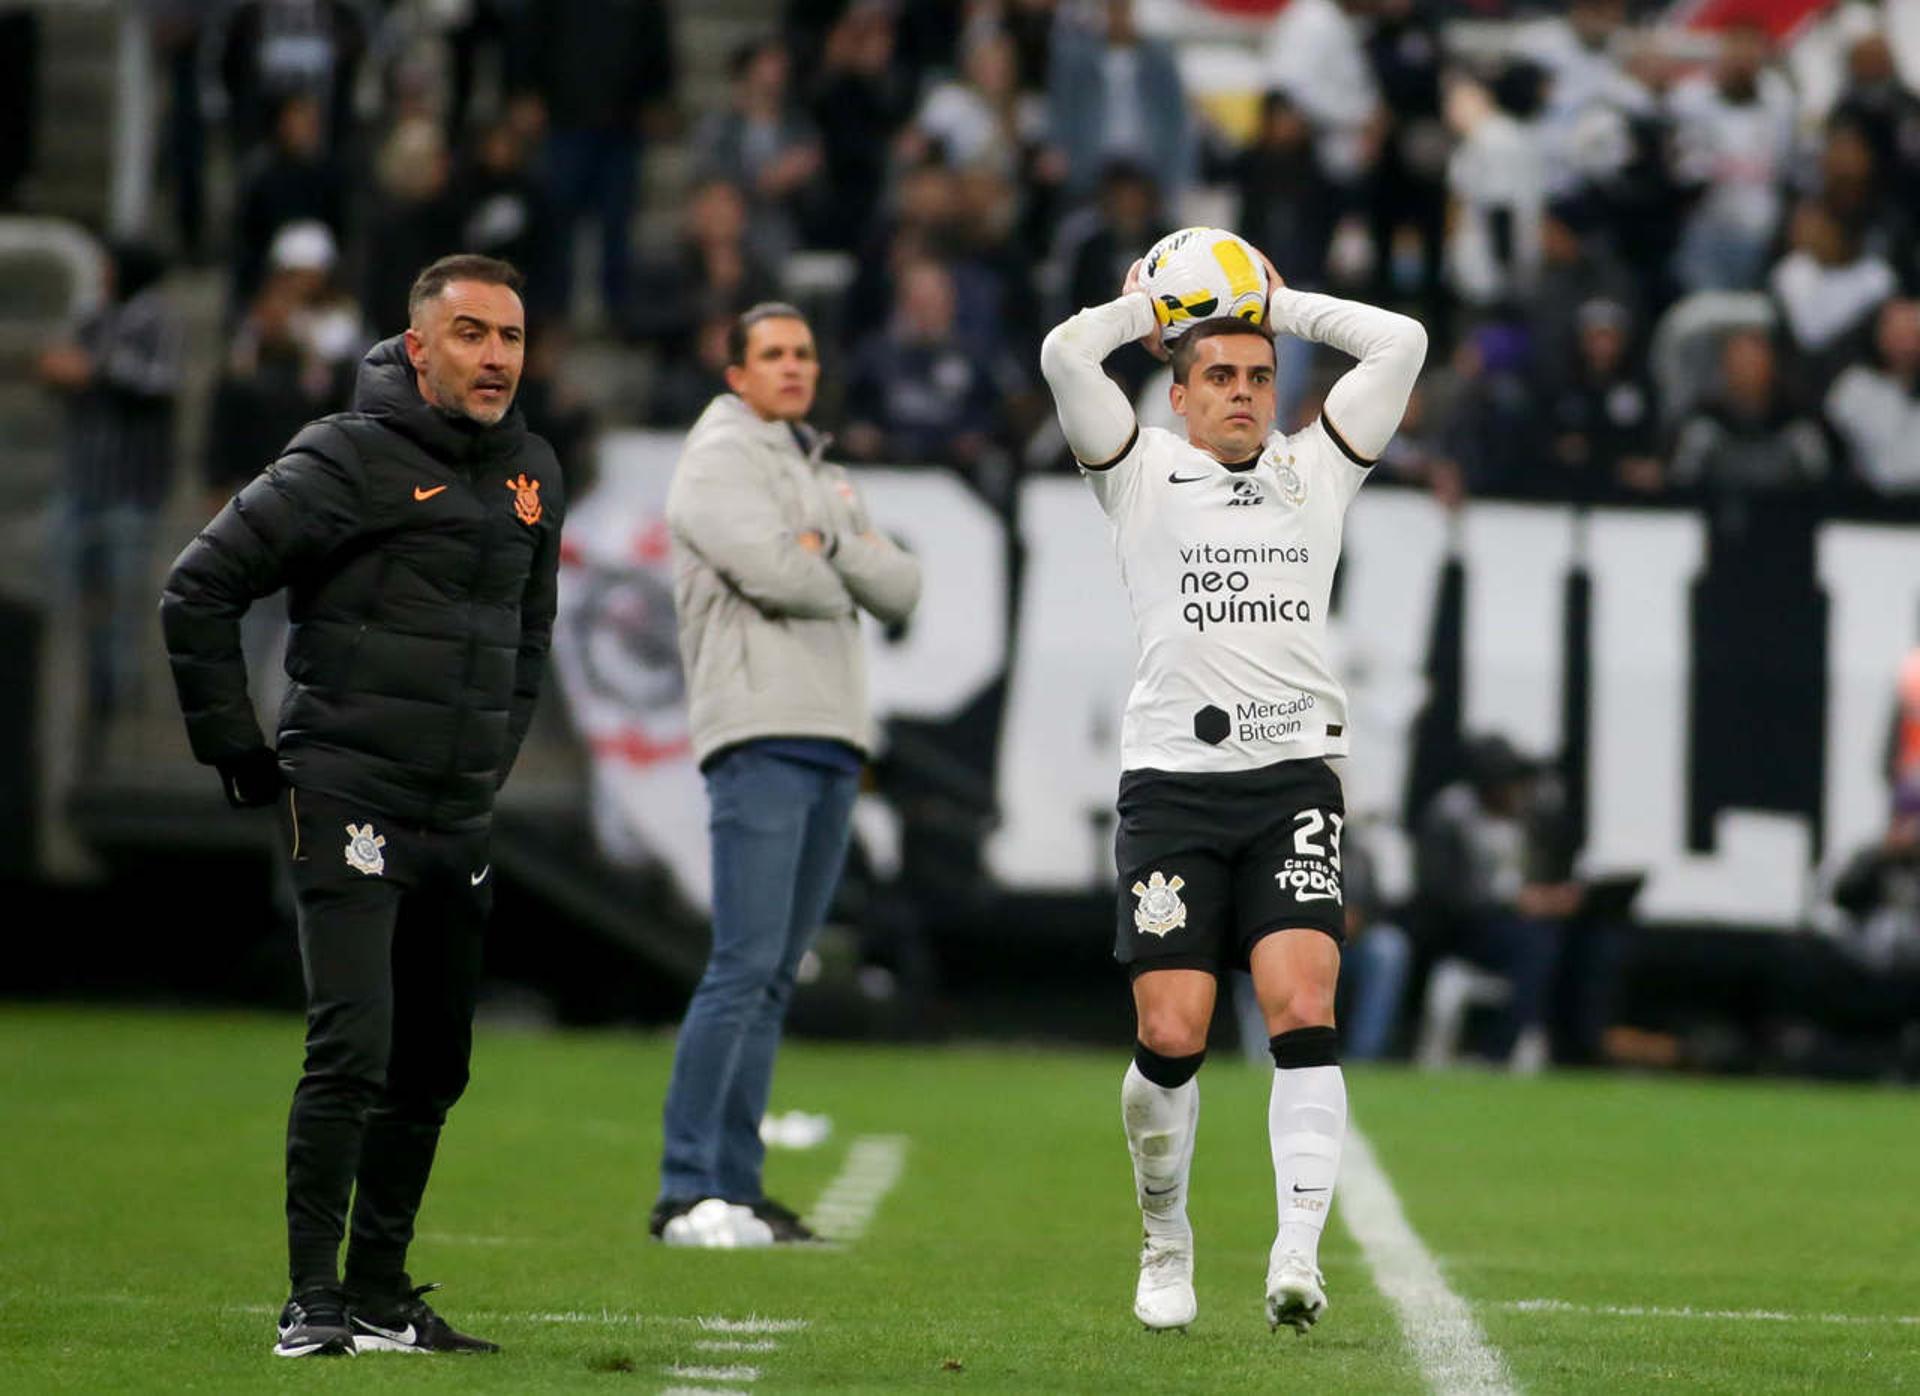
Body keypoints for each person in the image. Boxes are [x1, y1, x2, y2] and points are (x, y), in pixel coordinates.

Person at [160, 254, 564, 1358]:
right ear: (418, 345)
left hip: (459, 809)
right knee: (354, 1047)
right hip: (351, 790)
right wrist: (237, 749)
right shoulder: (346, 455)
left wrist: (495, 756)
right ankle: (311, 1297)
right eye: (473, 334)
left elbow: (531, 633)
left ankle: (382, 1293)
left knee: (435, 1063)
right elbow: (199, 585)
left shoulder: (533, 467)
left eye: (512, 338)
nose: (496, 358)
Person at [1038, 248, 1425, 1333]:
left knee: (1304, 1004)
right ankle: (1166, 1241)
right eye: (1219, 375)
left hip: (1295, 775)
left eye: (1259, 374)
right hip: (1173, 788)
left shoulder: (1320, 468)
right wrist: (1162, 303)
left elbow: (1403, 342)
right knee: (1174, 1029)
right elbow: (1065, 351)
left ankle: (1296, 1255)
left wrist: (1269, 300)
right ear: (1178, 389)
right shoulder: (1137, 471)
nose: (1244, 393)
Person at [651, 302, 922, 1247]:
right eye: (771, 353)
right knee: (742, 965)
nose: (793, 366)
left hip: (831, 734)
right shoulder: (717, 458)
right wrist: (838, 555)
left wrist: (831, 547)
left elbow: (902, 589)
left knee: (772, 975)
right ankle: (684, 1186)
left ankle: (737, 1183)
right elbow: (780, 576)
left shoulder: (822, 474)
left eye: (804, 351)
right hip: (759, 727)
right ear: (736, 373)